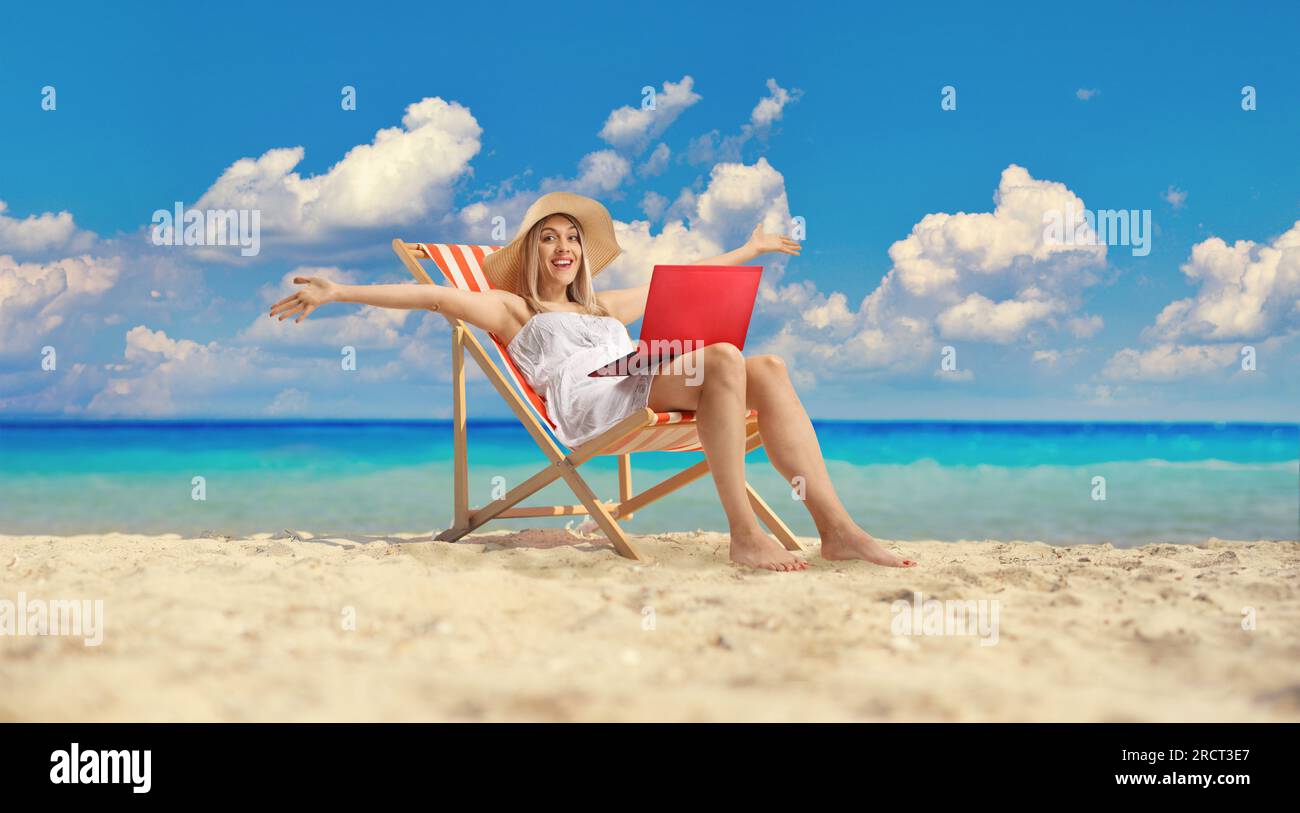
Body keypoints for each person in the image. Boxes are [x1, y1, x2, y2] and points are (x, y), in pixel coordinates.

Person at [269, 192, 915, 572]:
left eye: (571, 238)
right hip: (590, 405)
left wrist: (746, 251)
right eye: (548, 237)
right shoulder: (515, 308)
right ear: (531, 252)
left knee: (766, 366)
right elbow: (431, 296)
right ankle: (744, 535)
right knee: (720, 356)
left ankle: (836, 529)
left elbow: (684, 273)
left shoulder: (603, 308)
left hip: (638, 380)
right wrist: (340, 290)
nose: (563, 246)